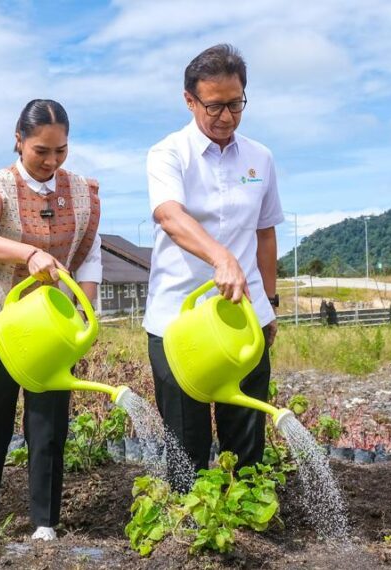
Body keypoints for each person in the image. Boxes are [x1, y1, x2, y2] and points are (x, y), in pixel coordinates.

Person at [0, 99, 101, 542]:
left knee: (48, 426)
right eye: (41, 150)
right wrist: (28, 252)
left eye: (60, 151)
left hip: (53, 329)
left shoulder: (80, 191)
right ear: (19, 141)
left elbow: (90, 259)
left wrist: (85, 315)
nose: (51, 161)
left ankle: (44, 522)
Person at [143, 44, 283, 484]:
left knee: (246, 440)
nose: (226, 116)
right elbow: (170, 215)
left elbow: (264, 233)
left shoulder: (260, 158)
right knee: (187, 441)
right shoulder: (168, 154)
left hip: (244, 317)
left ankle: (247, 529)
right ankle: (191, 535)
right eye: (214, 106)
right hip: (178, 321)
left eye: (236, 103)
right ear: (190, 100)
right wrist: (219, 256)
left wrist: (270, 302)